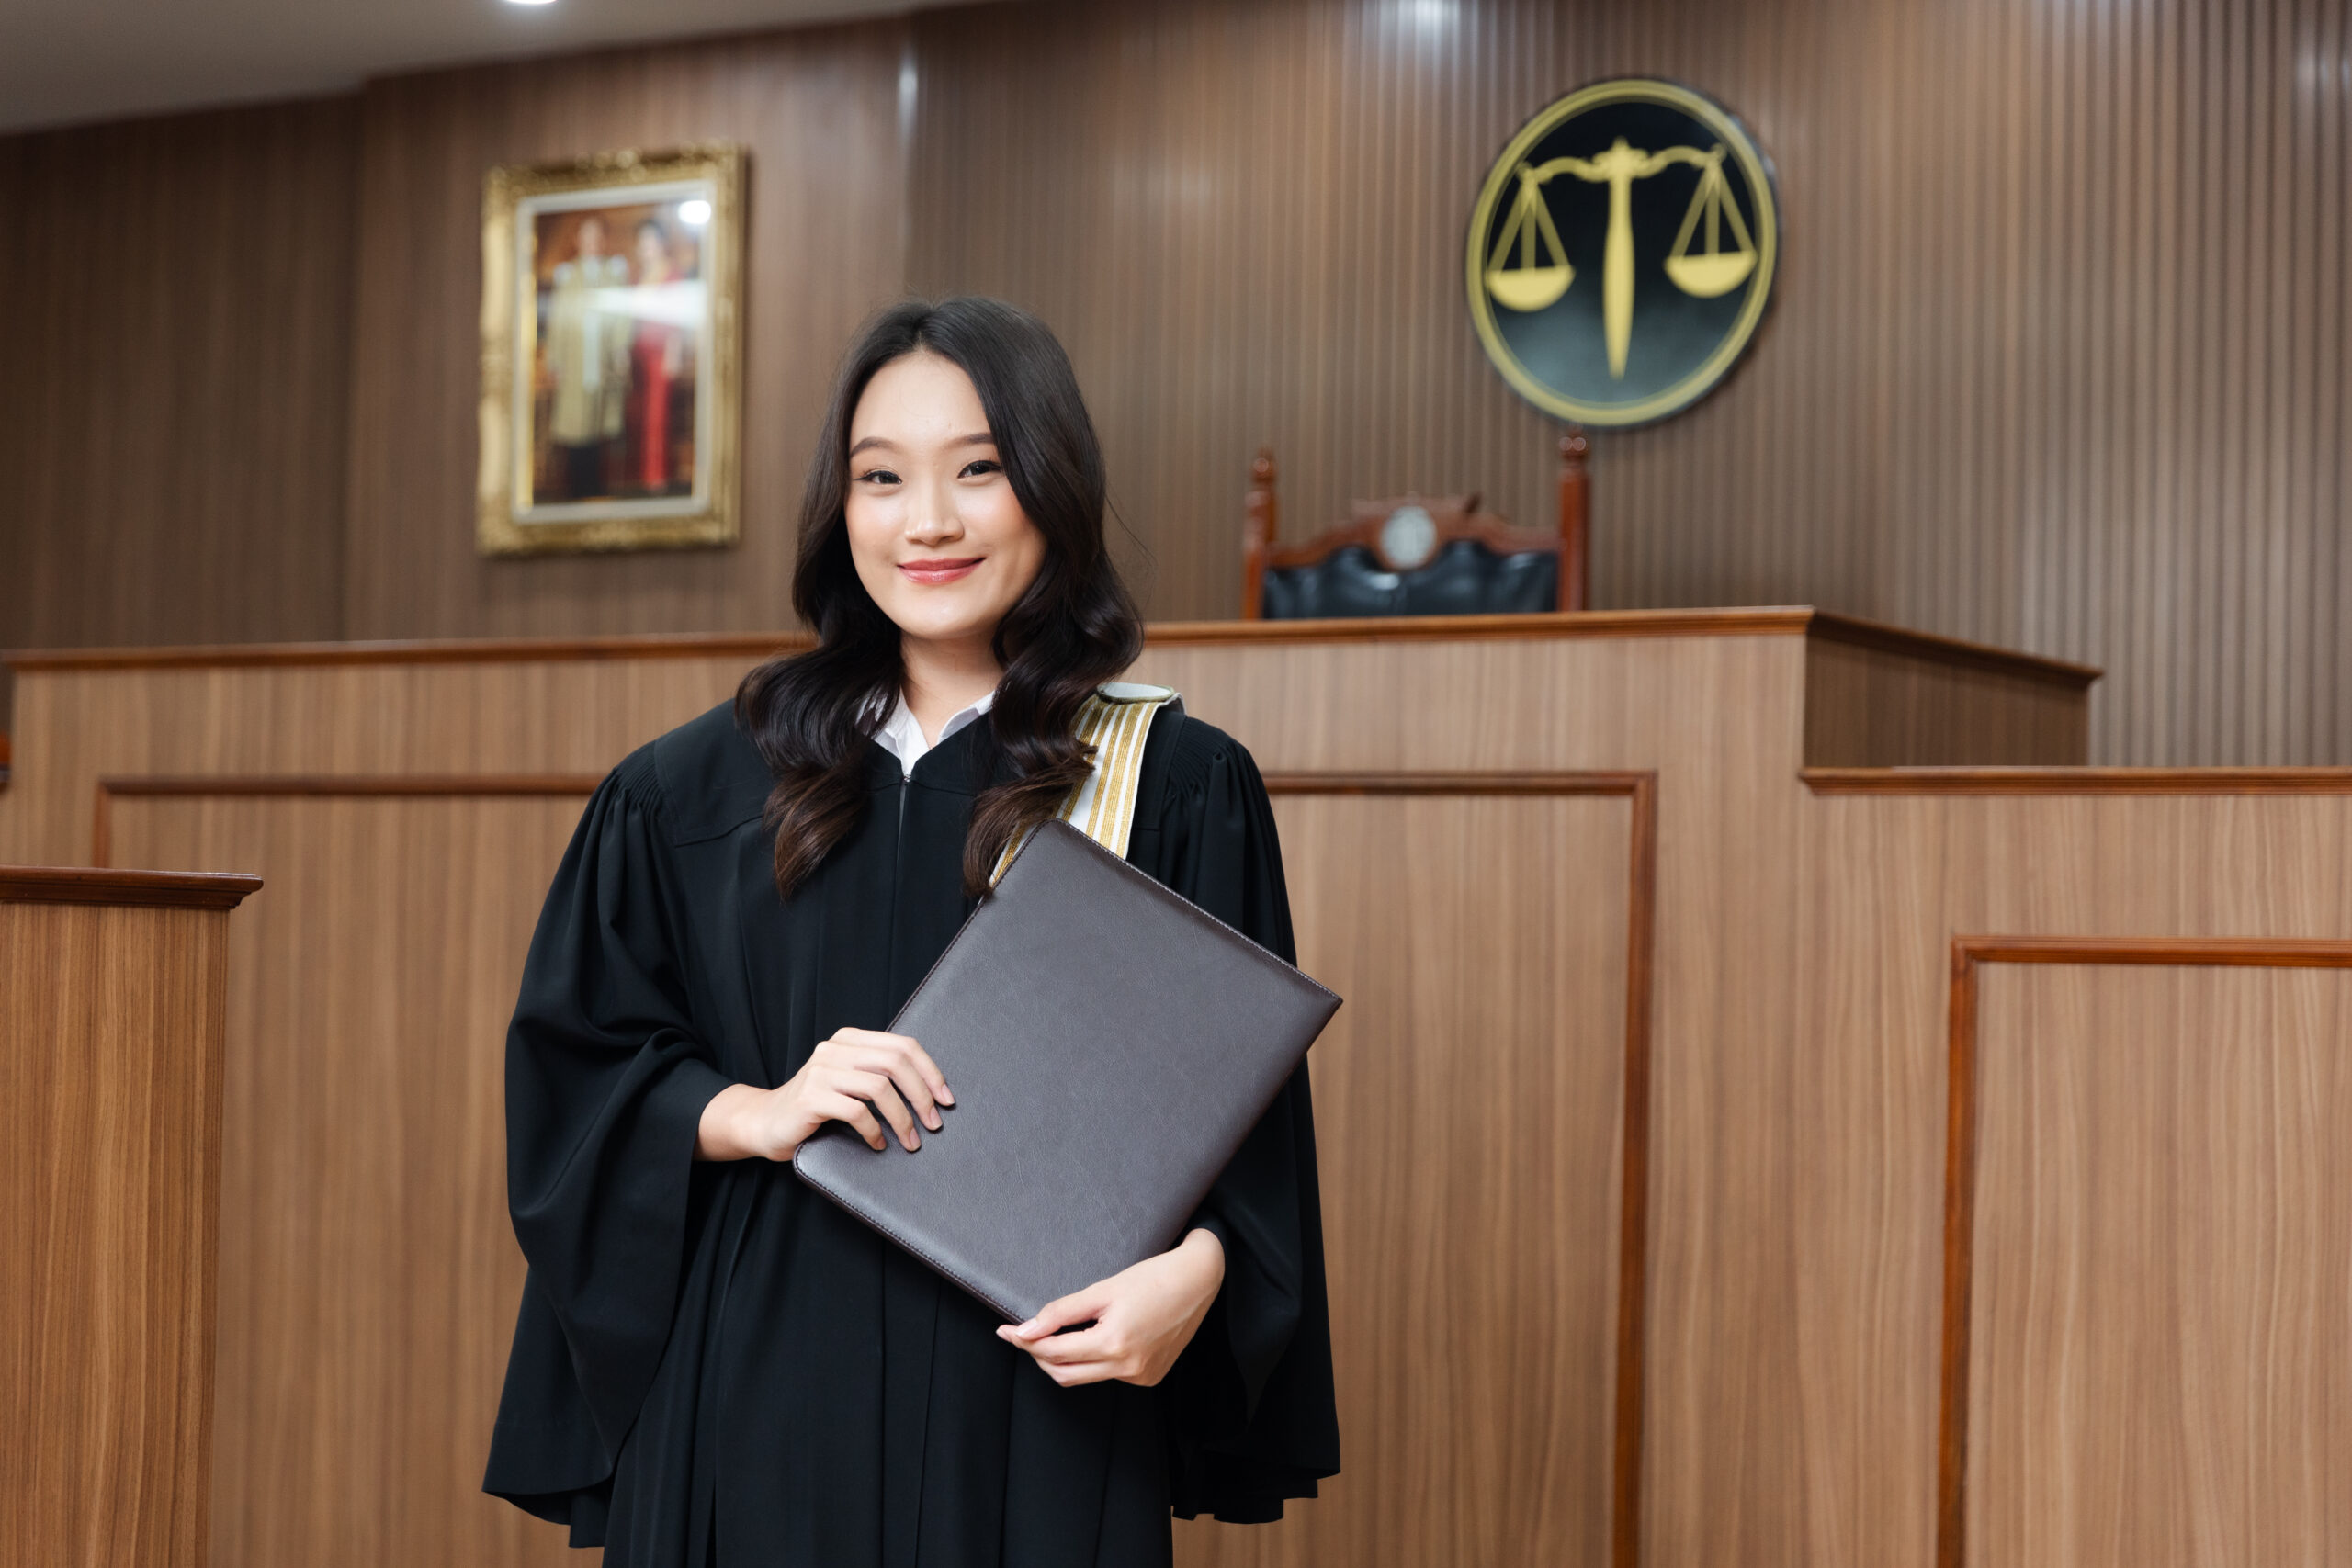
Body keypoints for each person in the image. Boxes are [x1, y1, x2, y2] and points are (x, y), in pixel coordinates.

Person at [483, 296, 1340, 1568]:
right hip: (749, 1399)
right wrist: (753, 1108)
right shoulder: (692, 792)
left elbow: (1243, 1132)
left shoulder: (1169, 784)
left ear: (1052, 485)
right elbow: (576, 1084)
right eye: (881, 477)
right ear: (840, 507)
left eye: (977, 470)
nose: (926, 521)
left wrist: (1199, 1273)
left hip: (1038, 1417)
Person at [542, 213, 631, 500]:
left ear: (604, 239)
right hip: (575, 359)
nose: (592, 242)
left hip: (602, 358)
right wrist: (555, 362)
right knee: (575, 421)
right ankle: (576, 488)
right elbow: (557, 320)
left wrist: (620, 350)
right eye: (586, 235)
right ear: (577, 239)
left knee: (598, 420)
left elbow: (622, 316)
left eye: (597, 235)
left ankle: (597, 487)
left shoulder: (613, 273)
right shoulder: (568, 275)